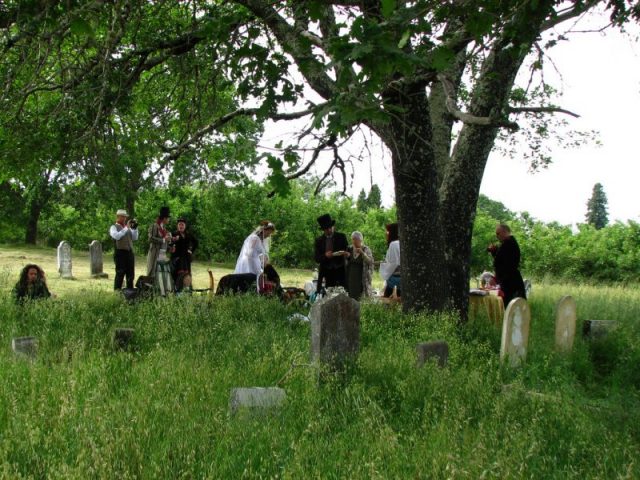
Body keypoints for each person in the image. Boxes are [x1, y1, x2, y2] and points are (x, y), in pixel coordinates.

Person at [487, 224, 526, 306]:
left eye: (498, 233)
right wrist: (494, 251)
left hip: (511, 282)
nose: (497, 236)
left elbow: (507, 266)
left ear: (505, 232)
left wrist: (495, 278)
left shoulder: (509, 244)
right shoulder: (507, 243)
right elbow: (502, 260)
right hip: (509, 281)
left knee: (512, 309)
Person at [314, 214, 349, 293]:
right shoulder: (319, 241)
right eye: (326, 229)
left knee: (342, 293)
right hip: (327, 272)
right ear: (323, 230)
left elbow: (348, 251)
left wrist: (345, 254)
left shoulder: (341, 237)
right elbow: (317, 258)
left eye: (330, 227)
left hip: (340, 271)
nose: (329, 230)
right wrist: (325, 255)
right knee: (328, 294)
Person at [146, 206, 174, 294]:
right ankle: (150, 294)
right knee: (153, 274)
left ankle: (161, 293)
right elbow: (150, 239)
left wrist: (170, 248)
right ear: (164, 218)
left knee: (162, 275)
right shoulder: (154, 226)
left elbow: (163, 243)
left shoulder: (164, 228)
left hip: (162, 255)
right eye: (168, 218)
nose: (168, 220)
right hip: (155, 254)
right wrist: (164, 239)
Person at [109, 208, 139, 290]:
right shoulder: (113, 227)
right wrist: (126, 228)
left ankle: (130, 293)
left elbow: (135, 238)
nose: (124, 218)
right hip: (120, 253)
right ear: (118, 217)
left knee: (130, 275)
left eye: (125, 217)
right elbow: (116, 236)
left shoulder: (127, 228)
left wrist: (135, 228)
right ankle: (117, 293)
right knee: (120, 274)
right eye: (123, 216)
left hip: (129, 253)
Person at [346, 231, 374, 300]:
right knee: (351, 297)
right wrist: (347, 257)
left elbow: (370, 262)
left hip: (361, 279)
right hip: (351, 278)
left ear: (360, 240)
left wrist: (362, 253)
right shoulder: (350, 249)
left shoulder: (366, 249)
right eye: (352, 239)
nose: (353, 242)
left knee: (361, 298)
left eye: (355, 239)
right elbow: (347, 263)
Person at [380, 223, 401, 298]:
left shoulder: (394, 244)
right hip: (403, 280)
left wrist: (383, 265)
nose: (386, 233)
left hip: (394, 281)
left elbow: (393, 264)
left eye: (387, 231)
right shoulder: (401, 243)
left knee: (388, 304)